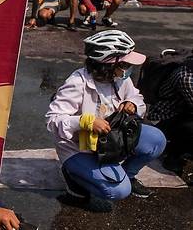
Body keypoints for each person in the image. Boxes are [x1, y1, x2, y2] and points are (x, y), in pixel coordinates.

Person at [46, 30, 166, 205]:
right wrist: (84, 122)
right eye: (125, 63)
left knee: (157, 140)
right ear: (109, 63)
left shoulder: (119, 78)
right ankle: (73, 175)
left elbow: (138, 99)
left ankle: (127, 174)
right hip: (80, 148)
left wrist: (132, 104)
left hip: (111, 140)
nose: (128, 68)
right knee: (118, 191)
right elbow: (52, 119)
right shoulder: (77, 83)